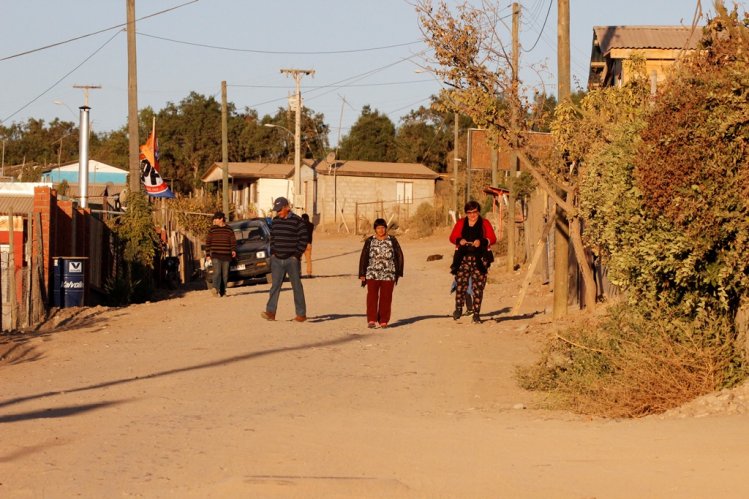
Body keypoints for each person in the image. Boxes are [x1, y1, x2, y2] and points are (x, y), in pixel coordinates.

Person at [261, 197, 309, 322]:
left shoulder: (298, 221)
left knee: (297, 286)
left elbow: (304, 238)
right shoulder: (275, 221)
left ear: (287, 207)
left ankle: (301, 314)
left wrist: (296, 255)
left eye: (280, 210)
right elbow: (273, 238)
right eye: (276, 210)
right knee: (275, 287)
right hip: (277, 260)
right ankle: (270, 312)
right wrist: (273, 253)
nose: (278, 212)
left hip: (292, 260)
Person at [449, 200, 496, 323]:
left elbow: (493, 238)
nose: (472, 215)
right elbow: (452, 237)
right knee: (460, 284)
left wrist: (482, 241)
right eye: (469, 213)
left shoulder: (485, 223)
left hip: (480, 259)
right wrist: (460, 240)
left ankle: (476, 314)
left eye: (474, 212)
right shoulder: (460, 223)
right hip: (463, 258)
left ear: (478, 212)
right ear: (466, 213)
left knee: (478, 287)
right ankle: (458, 309)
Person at [359, 218, 404, 329]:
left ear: (386, 228)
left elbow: (399, 255)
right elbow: (364, 257)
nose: (381, 230)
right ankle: (372, 320)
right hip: (372, 273)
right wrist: (362, 273)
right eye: (378, 228)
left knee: (386, 297)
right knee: (372, 297)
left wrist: (398, 272)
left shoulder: (392, 240)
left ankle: (384, 320)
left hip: (389, 274)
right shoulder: (370, 241)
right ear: (375, 229)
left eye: (383, 228)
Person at [205, 211, 237, 297]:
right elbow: (208, 242)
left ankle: (223, 291)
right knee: (217, 272)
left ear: (221, 219)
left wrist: (233, 250)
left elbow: (233, 241)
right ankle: (215, 289)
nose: (215, 220)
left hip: (226, 255)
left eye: (216, 219)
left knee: (225, 274)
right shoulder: (212, 229)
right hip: (216, 255)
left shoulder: (229, 229)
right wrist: (208, 255)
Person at [301, 213, 315, 278]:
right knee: (308, 259)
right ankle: (309, 273)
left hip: (301, 244)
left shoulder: (301, 225)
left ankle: (298, 273)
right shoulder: (311, 225)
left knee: (298, 259)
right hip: (308, 244)